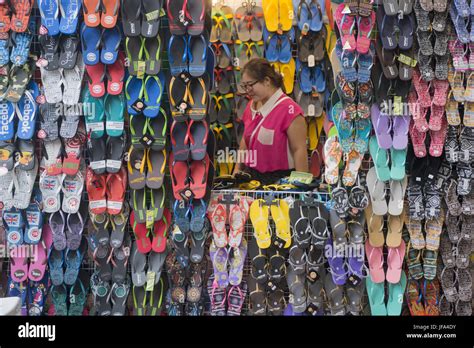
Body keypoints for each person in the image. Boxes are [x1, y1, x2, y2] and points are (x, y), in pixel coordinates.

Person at [233, 58, 308, 180]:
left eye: (250, 85)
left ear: (267, 80)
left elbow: (299, 150)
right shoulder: (251, 105)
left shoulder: (290, 110)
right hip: (251, 179)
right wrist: (237, 170)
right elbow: (246, 140)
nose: (247, 91)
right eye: (244, 86)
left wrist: (302, 188)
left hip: (280, 181)